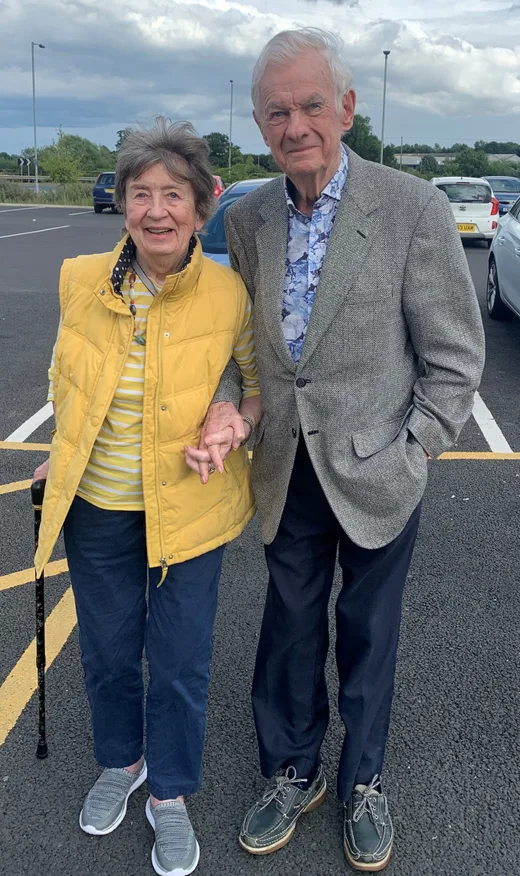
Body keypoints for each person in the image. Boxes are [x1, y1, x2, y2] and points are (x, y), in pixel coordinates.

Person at [193, 27, 485, 873]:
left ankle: (363, 783)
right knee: (286, 631)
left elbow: (456, 357)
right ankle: (291, 772)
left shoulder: (412, 208)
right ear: (257, 123)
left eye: (311, 105)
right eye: (276, 111)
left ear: (347, 108)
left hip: (378, 466)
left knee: (367, 633)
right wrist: (224, 410)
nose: (296, 125)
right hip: (284, 466)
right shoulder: (247, 219)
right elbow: (236, 342)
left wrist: (416, 448)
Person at [32, 117, 261, 876]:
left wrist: (235, 418)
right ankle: (121, 762)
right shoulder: (78, 279)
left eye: (173, 194)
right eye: (141, 193)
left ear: (202, 206)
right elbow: (71, 380)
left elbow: (255, 389)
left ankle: (169, 793)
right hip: (95, 510)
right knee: (104, 653)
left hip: (189, 510)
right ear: (123, 202)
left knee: (180, 663)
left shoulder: (229, 291)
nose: (156, 210)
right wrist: (58, 453)